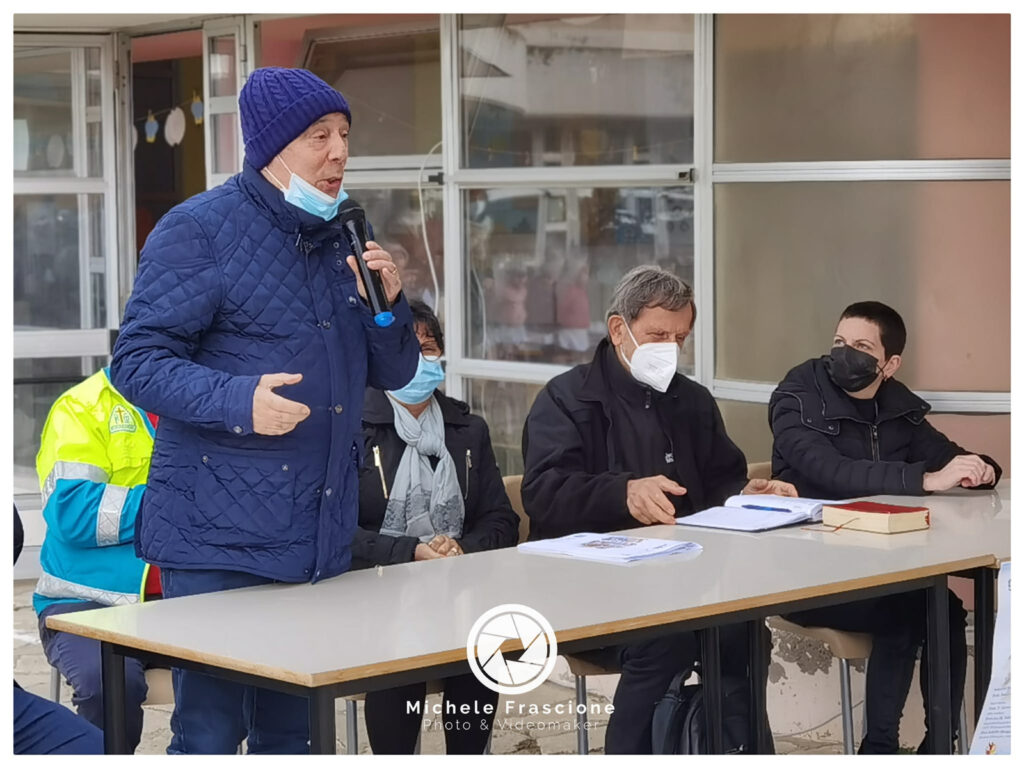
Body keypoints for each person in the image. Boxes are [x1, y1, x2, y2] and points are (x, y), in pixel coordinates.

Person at [110, 66, 419, 754]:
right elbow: (135, 361)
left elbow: (399, 374)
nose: (339, 152)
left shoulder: (344, 232)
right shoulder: (198, 230)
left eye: (344, 135)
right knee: (212, 733)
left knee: (295, 735)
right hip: (216, 542)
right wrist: (237, 401)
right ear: (273, 148)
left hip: (314, 543)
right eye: (320, 137)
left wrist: (390, 309)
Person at [522, 265, 795, 754]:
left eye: (680, 338)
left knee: (743, 633)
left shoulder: (690, 400)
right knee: (665, 641)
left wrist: (745, 494)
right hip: (586, 586)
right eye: (657, 335)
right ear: (617, 329)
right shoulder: (566, 399)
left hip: (684, 579)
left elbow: (719, 482)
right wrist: (621, 492)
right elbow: (542, 492)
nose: (669, 348)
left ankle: (736, 748)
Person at [769, 300, 1001, 754]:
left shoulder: (896, 407)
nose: (845, 354)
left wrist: (982, 469)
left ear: (889, 364)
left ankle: (942, 745)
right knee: (911, 608)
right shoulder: (797, 398)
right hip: (806, 574)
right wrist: (925, 480)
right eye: (839, 342)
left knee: (944, 607)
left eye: (860, 346)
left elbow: (945, 454)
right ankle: (880, 749)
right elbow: (831, 470)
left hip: (883, 567)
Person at [353, 300, 519, 754]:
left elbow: (503, 520)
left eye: (429, 348)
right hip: (371, 600)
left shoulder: (467, 429)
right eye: (407, 348)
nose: (421, 358)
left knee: (479, 647)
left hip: (454, 594)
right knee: (398, 656)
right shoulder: (352, 430)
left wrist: (460, 547)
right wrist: (408, 552)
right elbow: (334, 533)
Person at [32, 369, 161, 752]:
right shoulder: (81, 406)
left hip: (189, 597)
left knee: (262, 668)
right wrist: (169, 503)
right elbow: (70, 512)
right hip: (87, 604)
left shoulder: (206, 402)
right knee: (107, 681)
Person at [14, 505, 104, 755]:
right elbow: (72, 515)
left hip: (166, 603)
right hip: (79, 600)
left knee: (97, 749)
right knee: (102, 678)